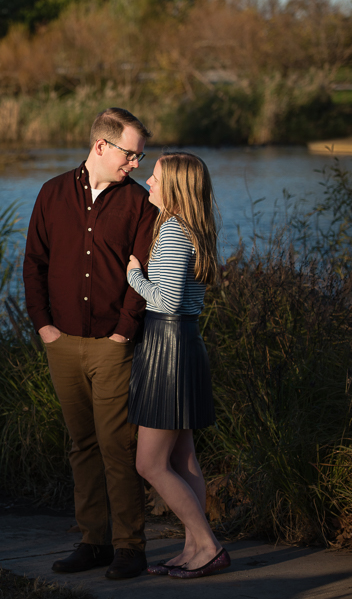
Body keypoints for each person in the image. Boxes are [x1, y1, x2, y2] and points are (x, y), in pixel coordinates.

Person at [23, 108, 157, 580]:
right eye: (131, 154)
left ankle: (129, 548)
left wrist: (124, 331)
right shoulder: (52, 193)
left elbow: (143, 273)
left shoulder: (140, 204)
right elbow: (34, 264)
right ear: (101, 146)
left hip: (111, 345)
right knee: (82, 444)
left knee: (118, 446)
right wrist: (44, 326)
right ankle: (92, 541)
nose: (136, 164)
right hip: (61, 342)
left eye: (140, 156)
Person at [125, 152, 231, 579]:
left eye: (156, 176)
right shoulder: (194, 229)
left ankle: (208, 545)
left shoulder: (171, 232)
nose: (148, 180)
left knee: (149, 463)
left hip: (168, 347)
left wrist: (134, 275)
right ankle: (193, 548)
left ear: (176, 187)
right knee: (184, 458)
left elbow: (165, 299)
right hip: (182, 343)